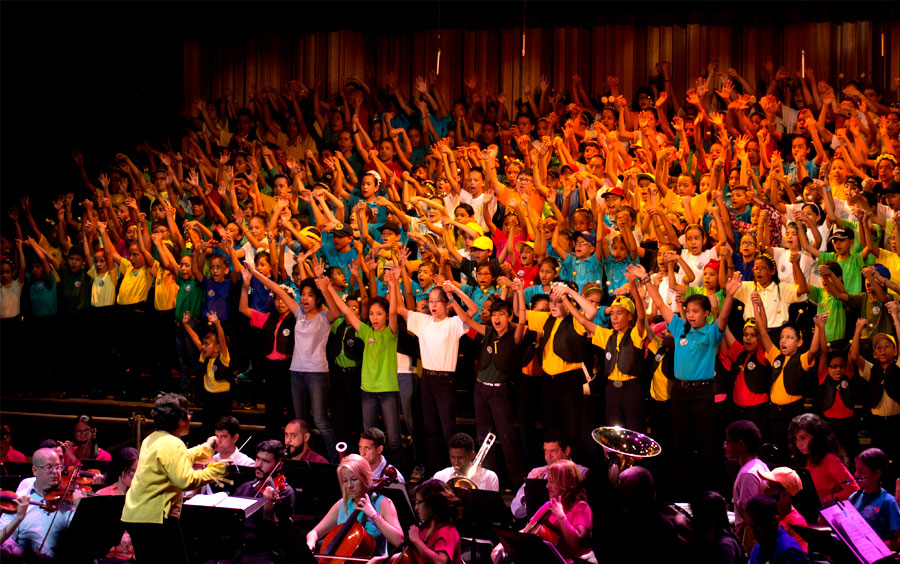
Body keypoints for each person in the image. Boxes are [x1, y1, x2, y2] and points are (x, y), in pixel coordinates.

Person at [246, 260, 340, 461]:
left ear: (317, 298)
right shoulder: (299, 313)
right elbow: (276, 289)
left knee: (320, 419)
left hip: (317, 374)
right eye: (303, 294)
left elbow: (337, 311)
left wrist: (325, 284)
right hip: (296, 373)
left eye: (310, 295)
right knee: (301, 421)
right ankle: (304, 457)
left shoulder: (325, 317)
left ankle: (335, 460)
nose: (304, 298)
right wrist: (254, 272)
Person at [121, 393, 228, 564]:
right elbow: (185, 481)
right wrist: (219, 469)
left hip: (137, 516)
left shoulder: (152, 438)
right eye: (188, 413)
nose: (190, 417)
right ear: (179, 420)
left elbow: (177, 458)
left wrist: (206, 448)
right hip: (155, 518)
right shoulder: (173, 443)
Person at [393, 279, 470, 474]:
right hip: (426, 379)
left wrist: (455, 293)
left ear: (446, 303)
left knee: (447, 430)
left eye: (438, 301)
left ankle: (454, 471)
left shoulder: (453, 323)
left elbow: (473, 310)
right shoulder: (423, 321)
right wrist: (394, 283)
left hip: (445, 380)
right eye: (431, 301)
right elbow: (399, 309)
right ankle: (435, 472)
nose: (433, 305)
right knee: (430, 430)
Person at [492, 459, 592, 564]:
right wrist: (502, 545)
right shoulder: (549, 505)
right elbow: (527, 530)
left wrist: (561, 516)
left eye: (551, 481)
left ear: (565, 483)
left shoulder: (581, 507)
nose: (547, 486)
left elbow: (575, 543)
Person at [306, 454, 404, 558]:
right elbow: (314, 532)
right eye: (345, 481)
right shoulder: (342, 505)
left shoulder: (383, 503)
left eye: (354, 479)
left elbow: (399, 541)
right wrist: (311, 542)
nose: (349, 486)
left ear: (365, 478)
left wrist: (375, 516)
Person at [0, 447, 85, 560]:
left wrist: (81, 510)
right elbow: (4, 540)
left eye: (58, 467)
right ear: (35, 470)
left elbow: (83, 540)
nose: (55, 472)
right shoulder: (20, 499)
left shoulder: (68, 500)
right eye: (49, 467)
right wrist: (24, 555)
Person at [367, 478, 462, 564]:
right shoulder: (425, 529)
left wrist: (417, 540)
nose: (416, 508)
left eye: (419, 502)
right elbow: (407, 555)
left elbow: (440, 561)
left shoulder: (447, 531)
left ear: (432, 502)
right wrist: (379, 560)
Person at [511, 430, 590, 519]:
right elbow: (515, 511)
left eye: (553, 451)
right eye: (545, 451)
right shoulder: (535, 472)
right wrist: (530, 491)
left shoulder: (581, 472)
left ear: (567, 451)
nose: (548, 456)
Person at [788, 413, 859, 504]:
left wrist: (827, 499)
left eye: (803, 438)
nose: (798, 444)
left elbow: (853, 489)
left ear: (816, 437)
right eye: (796, 439)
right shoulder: (806, 457)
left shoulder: (830, 460)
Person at [725, 419, 768, 552]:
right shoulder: (759, 464)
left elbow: (750, 519)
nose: (724, 446)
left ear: (741, 444)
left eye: (728, 442)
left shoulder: (748, 474)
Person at [849, 448, 900, 550]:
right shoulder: (853, 497)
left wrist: (875, 547)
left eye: (862, 471)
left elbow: (898, 539)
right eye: (856, 470)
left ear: (877, 474)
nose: (856, 475)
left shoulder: (888, 502)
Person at [96, 447, 140, 563]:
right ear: (120, 470)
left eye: (138, 472)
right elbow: (96, 532)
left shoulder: (142, 497)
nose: (136, 477)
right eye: (131, 472)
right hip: (111, 557)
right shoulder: (103, 494)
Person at [745, 494, 807, 564]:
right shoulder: (761, 544)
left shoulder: (788, 552)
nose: (753, 534)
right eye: (750, 526)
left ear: (771, 522)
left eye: (756, 527)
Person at [758, 467, 809, 553]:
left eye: (769, 488)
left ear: (785, 494)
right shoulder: (772, 515)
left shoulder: (797, 523)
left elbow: (797, 557)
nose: (764, 491)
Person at [688, 491, 745, 564]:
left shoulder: (724, 546)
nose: (694, 520)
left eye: (698, 515)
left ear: (712, 518)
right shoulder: (713, 540)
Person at [432, 432, 499, 491]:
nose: (456, 462)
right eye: (452, 457)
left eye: (460, 458)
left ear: (472, 455)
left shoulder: (489, 477)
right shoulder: (440, 476)